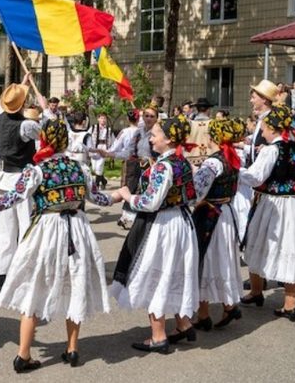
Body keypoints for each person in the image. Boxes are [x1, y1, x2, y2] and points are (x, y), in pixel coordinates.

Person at [0, 119, 120, 373]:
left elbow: (11, 198)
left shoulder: (36, 170)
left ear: (44, 140)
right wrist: (121, 195)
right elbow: (100, 199)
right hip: (77, 230)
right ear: (66, 142)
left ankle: (23, 354)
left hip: (47, 229)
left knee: (35, 287)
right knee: (76, 283)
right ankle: (72, 349)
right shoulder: (81, 168)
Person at [109, 115, 199, 353]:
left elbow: (150, 202)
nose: (151, 137)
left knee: (153, 275)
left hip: (162, 225)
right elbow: (194, 195)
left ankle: (158, 336)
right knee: (174, 271)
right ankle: (183, 323)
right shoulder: (182, 162)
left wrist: (128, 197)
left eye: (155, 134)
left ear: (168, 139)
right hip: (181, 221)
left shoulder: (163, 166)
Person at [239, 104, 295, 321]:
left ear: (272, 128)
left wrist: (235, 170)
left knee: (257, 243)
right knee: (292, 249)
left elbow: (256, 178)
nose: (262, 132)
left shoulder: (271, 150)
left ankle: (257, 292)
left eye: (264, 128)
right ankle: (289, 305)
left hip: (274, 205)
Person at [191, 118, 245, 331]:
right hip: (226, 214)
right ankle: (229, 306)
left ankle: (203, 315)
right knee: (222, 260)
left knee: (205, 260)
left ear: (211, 136)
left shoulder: (213, 162)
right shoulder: (232, 158)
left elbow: (196, 192)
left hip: (211, 215)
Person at [0, 78, 40, 298]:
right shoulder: (26, 125)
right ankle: (24, 277)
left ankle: (1, 280)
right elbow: (44, 131)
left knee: (3, 232)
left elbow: (5, 104)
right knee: (26, 229)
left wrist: (21, 85)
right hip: (22, 181)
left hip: (3, 181)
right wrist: (43, 106)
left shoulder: (0, 117)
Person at [89, 112, 115, 188]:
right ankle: (103, 180)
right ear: (98, 119)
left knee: (99, 166)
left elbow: (113, 140)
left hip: (104, 147)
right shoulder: (93, 127)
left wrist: (112, 150)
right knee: (94, 168)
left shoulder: (109, 129)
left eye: (104, 118)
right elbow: (87, 136)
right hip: (95, 148)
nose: (103, 120)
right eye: (101, 118)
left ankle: (96, 185)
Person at [186, 97, 213, 166]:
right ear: (208, 109)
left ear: (197, 109)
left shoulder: (189, 123)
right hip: (210, 159)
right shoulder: (213, 123)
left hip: (191, 159)